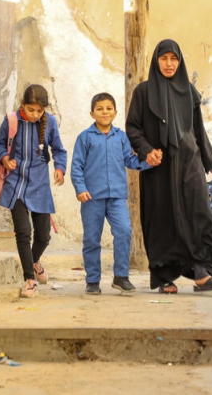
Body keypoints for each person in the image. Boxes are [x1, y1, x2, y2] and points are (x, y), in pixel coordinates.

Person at [126, 39, 212, 294]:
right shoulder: (143, 92)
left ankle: (202, 272)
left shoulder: (189, 92)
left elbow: (198, 130)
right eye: (164, 58)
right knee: (161, 218)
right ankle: (164, 277)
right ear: (156, 61)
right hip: (158, 166)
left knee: (199, 213)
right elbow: (133, 127)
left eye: (174, 59)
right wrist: (147, 151)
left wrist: (211, 162)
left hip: (189, 162)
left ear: (179, 61)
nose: (169, 64)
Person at [70, 93, 150, 295]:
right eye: (100, 109)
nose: (104, 112)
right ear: (92, 113)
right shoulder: (85, 138)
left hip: (116, 197)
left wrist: (148, 162)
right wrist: (80, 189)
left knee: (124, 231)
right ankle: (93, 280)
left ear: (115, 112)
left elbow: (130, 161)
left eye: (108, 108)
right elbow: (77, 167)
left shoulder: (121, 137)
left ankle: (121, 276)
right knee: (91, 239)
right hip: (91, 198)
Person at [0, 84, 67, 298]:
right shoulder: (11, 121)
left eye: (39, 111)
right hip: (15, 185)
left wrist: (60, 168)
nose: (35, 114)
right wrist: (5, 159)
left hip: (39, 186)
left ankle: (34, 261)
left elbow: (59, 150)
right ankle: (29, 280)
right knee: (23, 232)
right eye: (30, 109)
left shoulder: (50, 122)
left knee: (43, 236)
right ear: (22, 105)